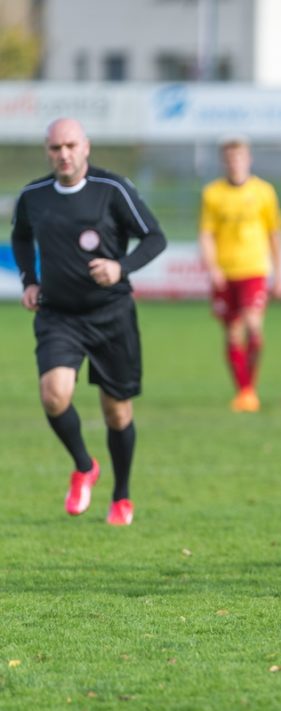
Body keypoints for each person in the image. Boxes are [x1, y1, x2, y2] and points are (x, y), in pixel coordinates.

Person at [10, 117, 167, 526]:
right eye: (55, 148)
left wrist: (121, 267)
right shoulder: (34, 196)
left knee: (116, 413)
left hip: (111, 314)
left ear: (86, 147)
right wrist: (30, 280)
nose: (63, 154)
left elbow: (155, 236)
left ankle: (121, 496)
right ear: (48, 151)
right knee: (53, 394)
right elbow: (20, 237)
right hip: (58, 314)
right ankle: (84, 466)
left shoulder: (112, 190)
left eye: (70, 146)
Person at [198, 136, 281, 413]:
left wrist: (279, 273)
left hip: (254, 269)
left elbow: (274, 233)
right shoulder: (212, 193)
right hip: (225, 273)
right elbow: (206, 234)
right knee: (233, 334)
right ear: (224, 162)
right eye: (230, 159)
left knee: (253, 327)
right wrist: (212, 269)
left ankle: (250, 388)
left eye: (240, 158)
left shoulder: (264, 192)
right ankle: (244, 391)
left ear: (248, 159)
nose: (235, 163)